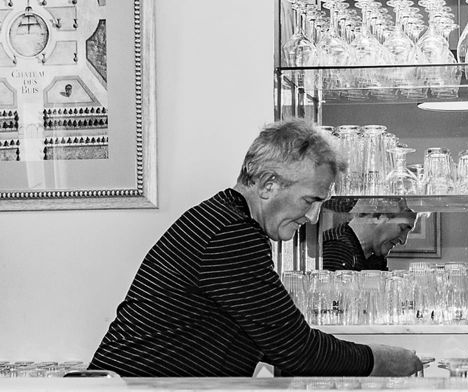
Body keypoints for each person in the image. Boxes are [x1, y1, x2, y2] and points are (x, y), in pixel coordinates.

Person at [89, 119, 421, 378]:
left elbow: (271, 339)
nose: (312, 216)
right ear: (267, 185)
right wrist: (387, 360)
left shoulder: (225, 218)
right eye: (310, 200)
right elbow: (298, 351)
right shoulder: (230, 233)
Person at [322, 198, 417, 271]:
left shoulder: (371, 258)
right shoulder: (337, 251)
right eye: (402, 228)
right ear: (378, 216)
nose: (403, 241)